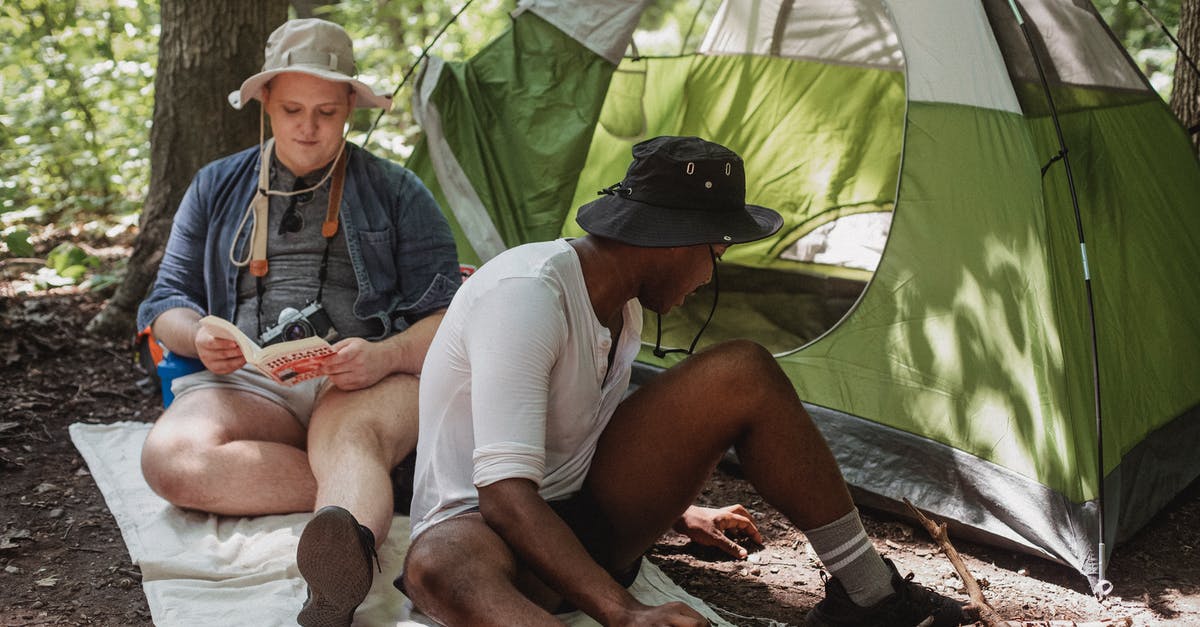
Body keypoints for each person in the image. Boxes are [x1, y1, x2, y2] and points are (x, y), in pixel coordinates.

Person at [399, 136, 971, 626]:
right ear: (670, 240)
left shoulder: (623, 306)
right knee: (442, 560)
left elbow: (574, 442)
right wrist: (622, 612)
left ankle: (870, 595)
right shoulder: (526, 296)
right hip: (489, 537)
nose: (709, 274)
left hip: (580, 523)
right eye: (715, 252)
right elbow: (503, 498)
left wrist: (676, 513)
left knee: (743, 370)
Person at [135, 18, 460, 627]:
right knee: (169, 460)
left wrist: (385, 356)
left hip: (363, 380)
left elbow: (450, 317)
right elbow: (165, 303)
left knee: (350, 437)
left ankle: (334, 588)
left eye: (326, 112)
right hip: (256, 383)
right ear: (264, 103)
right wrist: (200, 336)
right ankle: (359, 485)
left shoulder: (399, 191)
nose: (308, 127)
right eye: (291, 109)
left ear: (349, 110)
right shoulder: (214, 185)